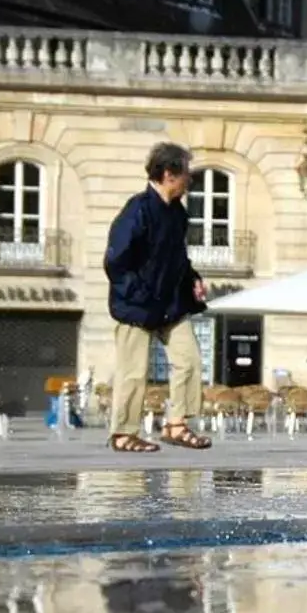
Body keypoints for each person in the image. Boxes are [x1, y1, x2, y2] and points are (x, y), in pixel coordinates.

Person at [104, 143, 210, 452]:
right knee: (133, 371)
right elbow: (116, 262)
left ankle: (176, 424)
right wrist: (140, 296)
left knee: (189, 360)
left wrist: (193, 280)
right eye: (186, 174)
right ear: (168, 174)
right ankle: (123, 433)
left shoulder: (177, 214)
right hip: (136, 306)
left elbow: (179, 259)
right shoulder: (137, 210)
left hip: (172, 304)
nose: (190, 180)